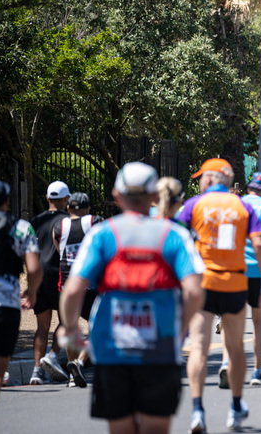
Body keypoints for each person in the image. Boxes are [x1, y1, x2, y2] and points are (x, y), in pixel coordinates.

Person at [58, 162, 205, 434]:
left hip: (112, 350)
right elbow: (195, 291)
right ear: (154, 197)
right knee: (155, 427)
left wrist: (69, 329)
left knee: (121, 428)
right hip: (160, 350)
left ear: (116, 196)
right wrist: (180, 329)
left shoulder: (102, 234)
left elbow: (73, 289)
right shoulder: (176, 235)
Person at [178, 158, 261, 432]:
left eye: (200, 178)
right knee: (234, 347)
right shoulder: (241, 205)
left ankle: (197, 410)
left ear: (209, 180)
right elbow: (258, 244)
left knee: (199, 346)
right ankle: (235, 406)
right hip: (234, 282)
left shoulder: (193, 205)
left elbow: (175, 239)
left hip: (202, 283)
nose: (199, 181)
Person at [219, 173, 261, 387]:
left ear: (249, 188)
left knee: (230, 320)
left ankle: (225, 361)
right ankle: (257, 370)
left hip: (234, 270)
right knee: (259, 321)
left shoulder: (235, 204)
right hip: (260, 270)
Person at [0, 180, 42, 406]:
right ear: (7, 201)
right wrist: (31, 291)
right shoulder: (21, 228)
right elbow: (34, 269)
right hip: (6, 306)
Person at [51, 192, 104, 387]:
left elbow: (60, 251)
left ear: (68, 209)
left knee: (70, 327)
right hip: (92, 285)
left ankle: (73, 376)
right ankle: (79, 362)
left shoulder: (59, 226)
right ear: (88, 208)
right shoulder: (96, 221)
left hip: (66, 284)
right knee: (99, 326)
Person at [30, 181, 70, 385]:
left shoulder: (34, 221)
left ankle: (36, 370)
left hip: (38, 277)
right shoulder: (68, 221)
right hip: (59, 276)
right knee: (67, 321)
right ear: (67, 199)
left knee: (41, 326)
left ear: (47, 198)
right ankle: (53, 355)